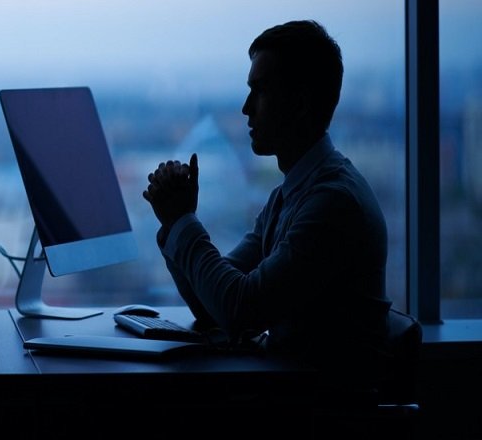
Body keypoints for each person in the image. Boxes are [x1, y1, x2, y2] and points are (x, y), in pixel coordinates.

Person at [143, 20, 392, 396]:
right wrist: (175, 225)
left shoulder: (333, 204)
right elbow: (214, 307)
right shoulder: (292, 195)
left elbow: (239, 310)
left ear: (300, 104)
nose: (246, 108)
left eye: (260, 91)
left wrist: (181, 221)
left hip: (324, 414)